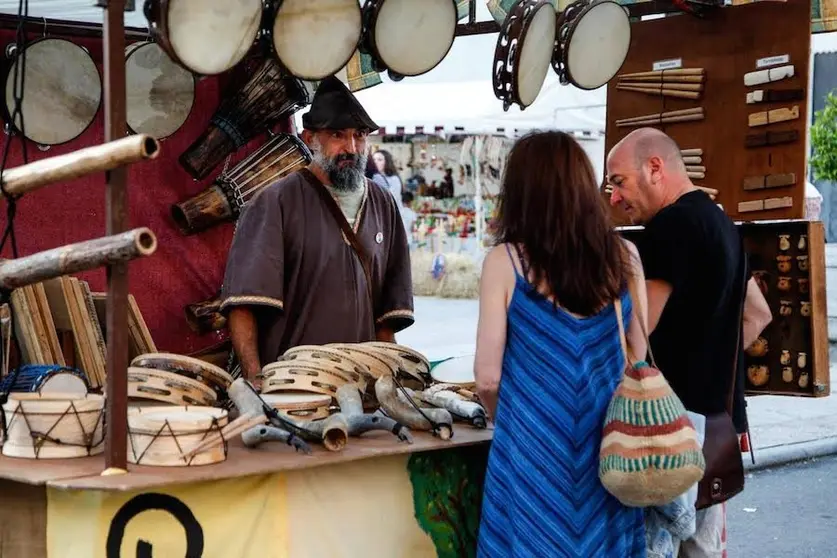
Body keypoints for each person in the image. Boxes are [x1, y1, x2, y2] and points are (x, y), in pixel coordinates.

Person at [474, 131, 647, 557]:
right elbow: (638, 355)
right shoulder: (625, 258)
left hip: (530, 456)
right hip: (608, 451)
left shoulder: (505, 263)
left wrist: (511, 420)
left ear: (521, 192)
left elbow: (487, 378)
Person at [606, 127, 772, 556]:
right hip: (718, 428)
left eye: (619, 181)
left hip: (667, 436)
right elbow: (759, 314)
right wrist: (711, 356)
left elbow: (636, 336)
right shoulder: (724, 224)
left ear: (654, 168)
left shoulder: (669, 227)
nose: (613, 198)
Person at [219, 76, 414, 384]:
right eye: (337, 135)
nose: (351, 147)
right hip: (293, 387)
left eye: (359, 135)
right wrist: (256, 381)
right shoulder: (275, 202)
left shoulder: (383, 204)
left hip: (364, 383)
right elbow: (243, 305)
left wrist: (396, 379)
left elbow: (386, 316)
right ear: (310, 138)